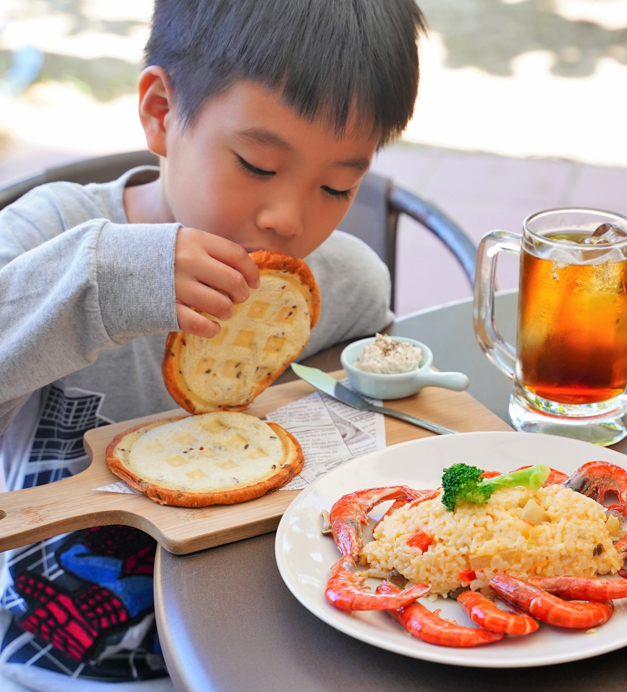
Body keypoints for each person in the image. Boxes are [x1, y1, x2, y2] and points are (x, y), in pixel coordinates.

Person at [0, 0, 425, 689]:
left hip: (266, 649)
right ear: (162, 112)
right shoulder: (55, 240)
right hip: (49, 663)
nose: (288, 218)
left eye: (336, 185)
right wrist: (107, 281)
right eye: (258, 165)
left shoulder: (342, 288)